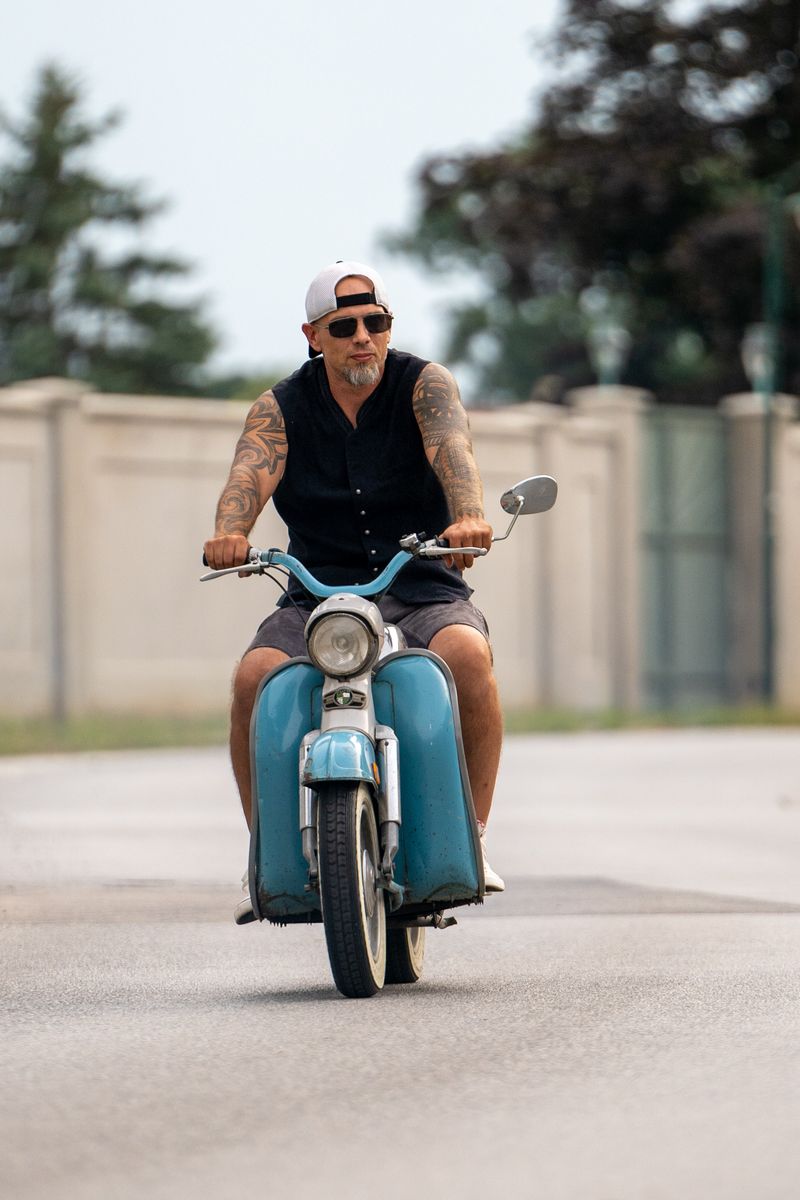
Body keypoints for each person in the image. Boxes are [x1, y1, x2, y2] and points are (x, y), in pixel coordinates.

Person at [203, 260, 505, 923]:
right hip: (316, 595)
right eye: (344, 327)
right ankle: (265, 856)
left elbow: (453, 450)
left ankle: (474, 837)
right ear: (314, 336)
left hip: (419, 584)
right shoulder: (280, 406)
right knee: (254, 677)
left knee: (467, 655)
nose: (363, 337)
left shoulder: (424, 385)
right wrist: (230, 533)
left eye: (376, 322)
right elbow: (249, 472)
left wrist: (468, 517)